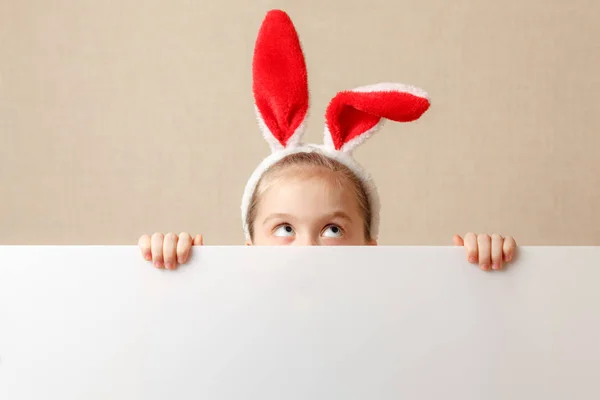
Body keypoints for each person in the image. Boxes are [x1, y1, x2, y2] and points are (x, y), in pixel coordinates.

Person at [138, 10, 517, 273]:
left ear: (370, 250)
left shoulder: (392, 308)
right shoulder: (227, 307)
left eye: (332, 229)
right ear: (248, 251)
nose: (308, 250)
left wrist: (482, 269)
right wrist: (170, 268)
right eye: (284, 229)